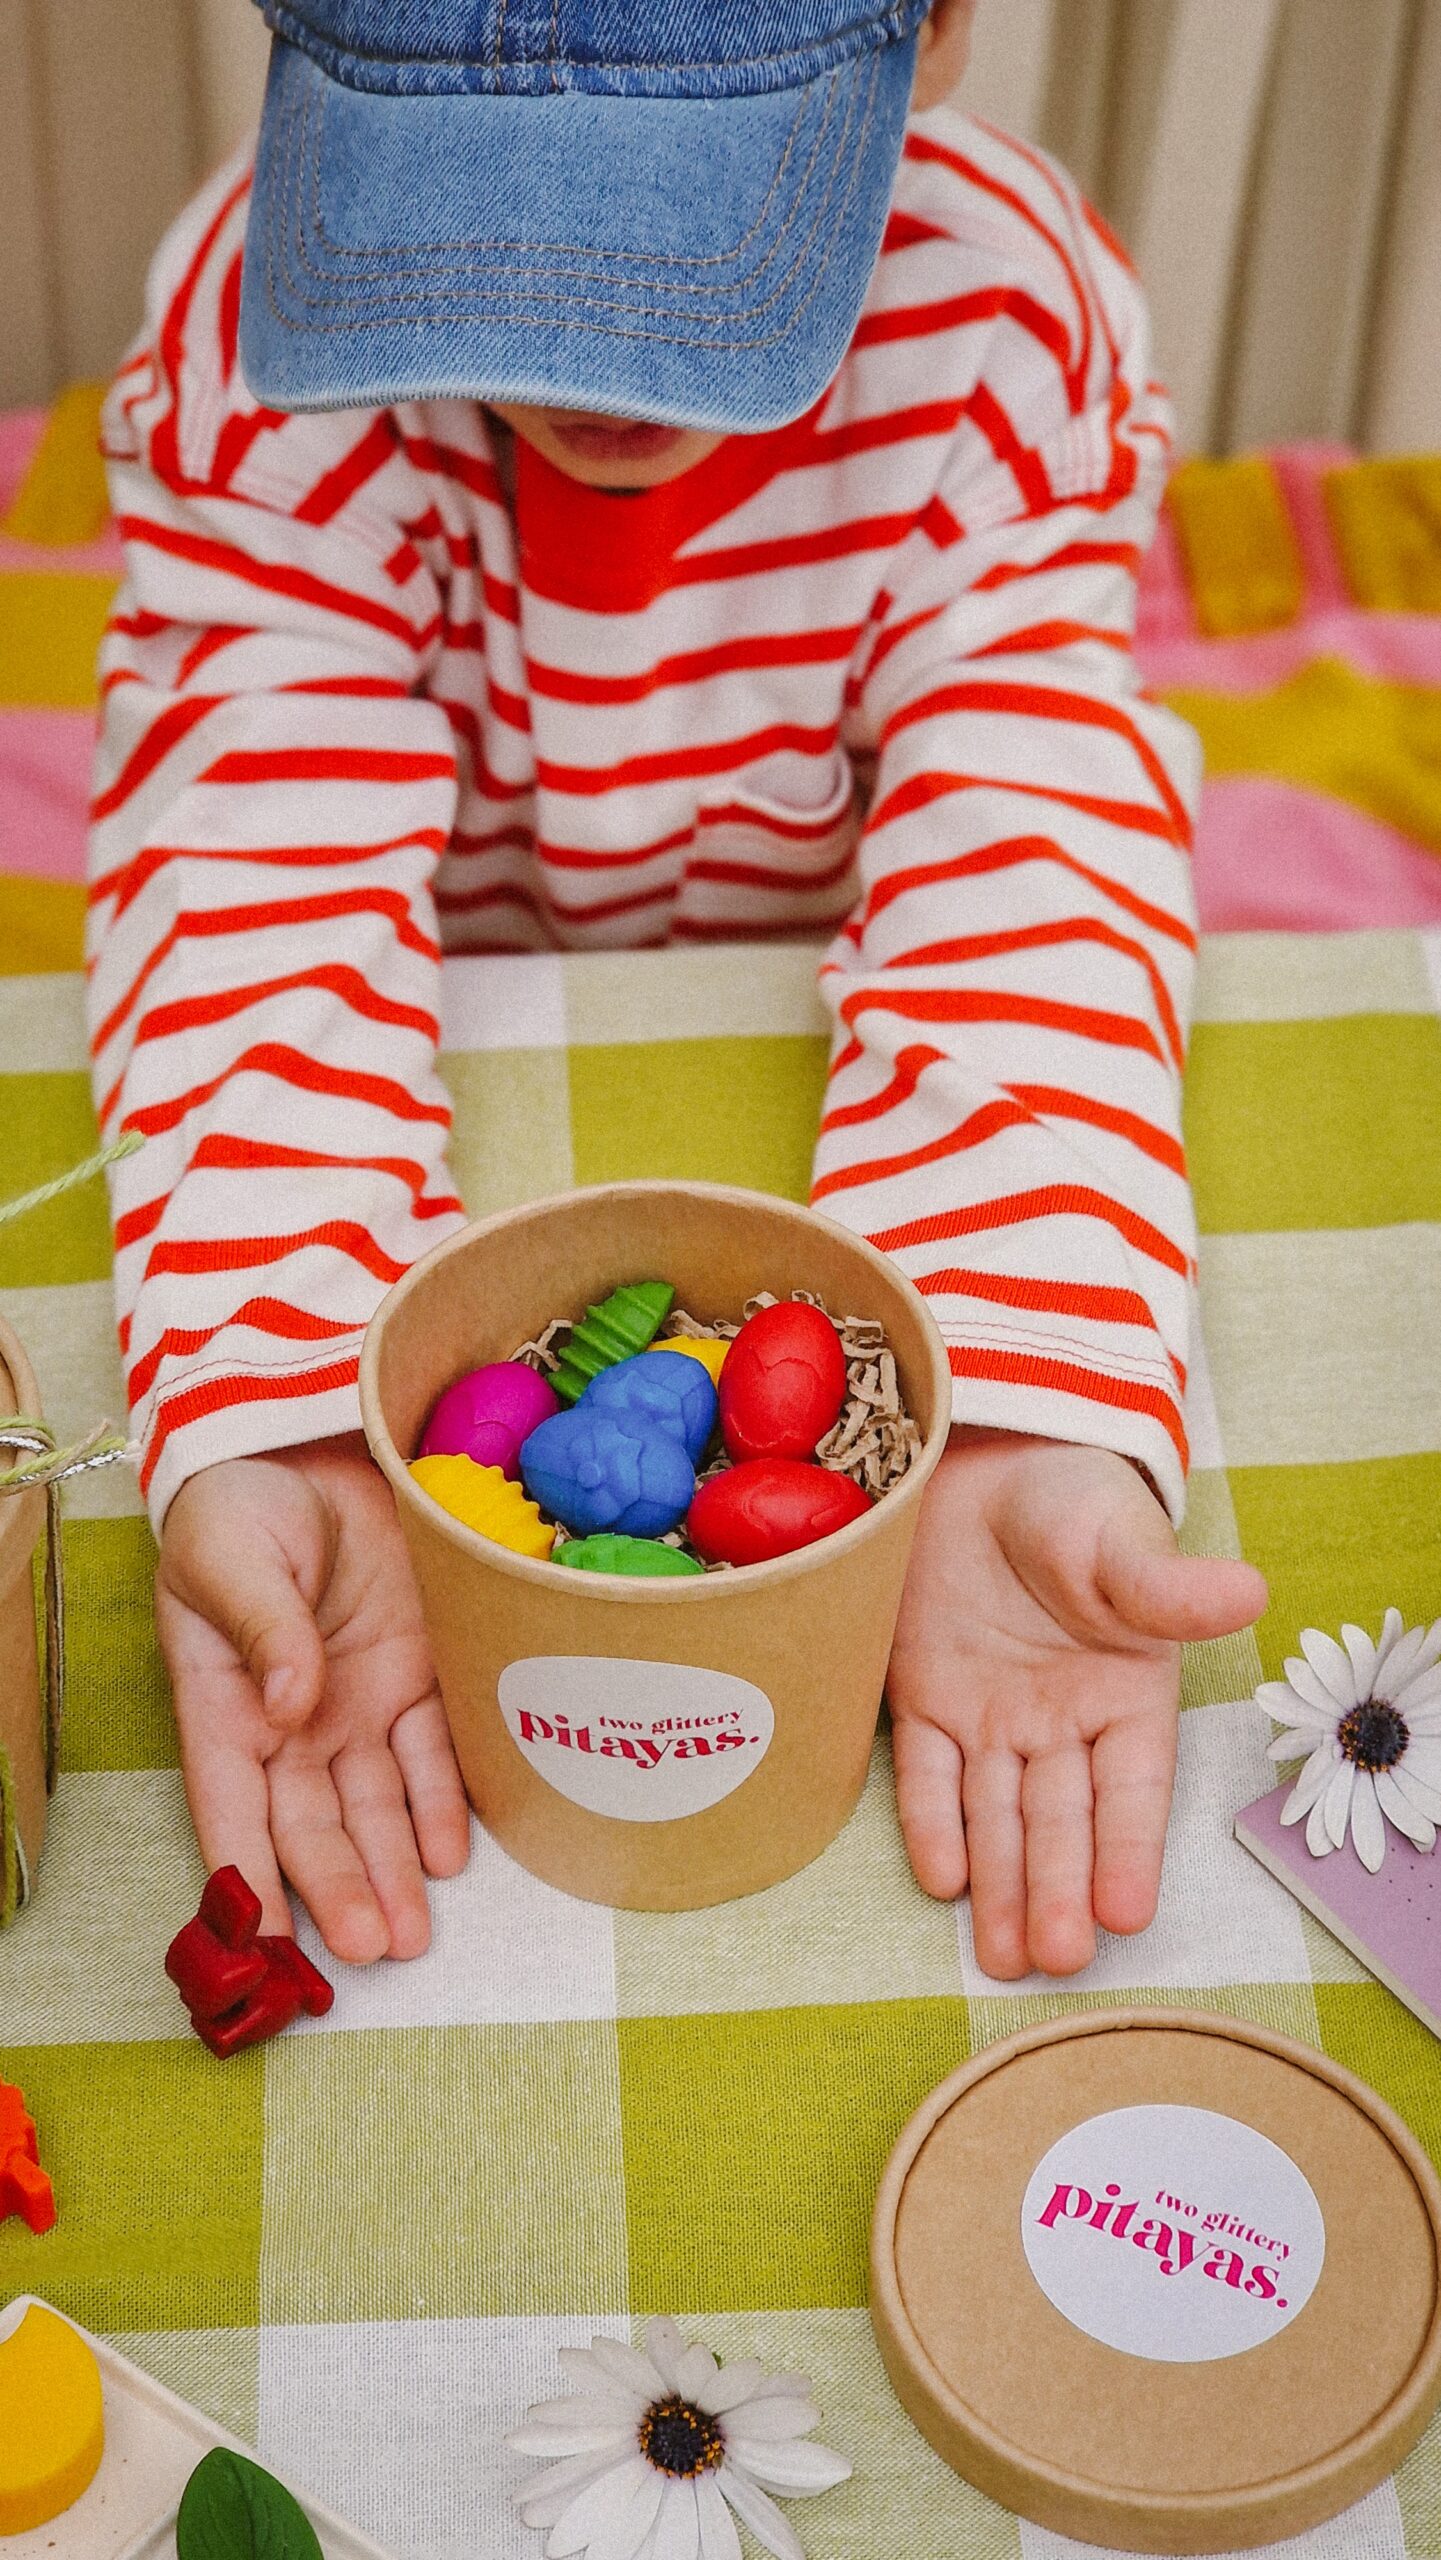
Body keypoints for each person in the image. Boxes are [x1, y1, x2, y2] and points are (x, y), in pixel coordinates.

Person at [88, 0, 1266, 1985]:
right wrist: (279, 1393)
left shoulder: (999, 318)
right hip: (451, 974)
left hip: (808, 941)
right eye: (479, 221)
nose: (577, 345)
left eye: (671, 220)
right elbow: (252, 872)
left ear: (942, 28)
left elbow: (1027, 835)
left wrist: (1018, 1384)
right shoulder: (253, 338)